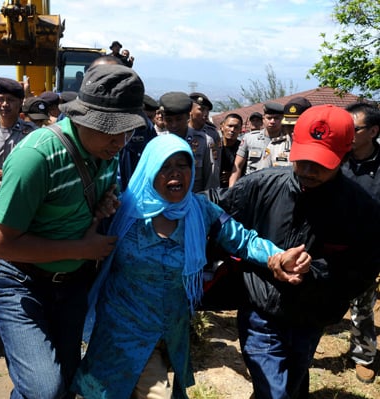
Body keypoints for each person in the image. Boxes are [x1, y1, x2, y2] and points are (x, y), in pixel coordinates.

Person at [72, 134, 310, 399]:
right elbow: (84, 247)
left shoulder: (200, 210)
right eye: (165, 166)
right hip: (123, 329)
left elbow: (242, 239)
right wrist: (97, 218)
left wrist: (276, 257)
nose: (175, 174)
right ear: (150, 168)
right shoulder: (123, 209)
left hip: (171, 329)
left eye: (182, 165)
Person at [0, 63, 146, 398]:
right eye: (110, 130)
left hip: (69, 286)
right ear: (82, 117)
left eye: (126, 131)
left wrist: (104, 205)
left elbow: (97, 197)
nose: (119, 141)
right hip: (18, 282)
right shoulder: (36, 157)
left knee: (67, 381)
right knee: (45, 389)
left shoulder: (107, 152)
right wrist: (80, 249)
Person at [208, 104, 380, 398]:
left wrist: (312, 271)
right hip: (261, 310)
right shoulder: (262, 185)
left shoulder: (360, 208)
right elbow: (212, 207)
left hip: (313, 317)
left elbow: (362, 270)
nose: (309, 171)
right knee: (275, 391)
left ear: (344, 153)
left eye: (322, 163)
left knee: (293, 378)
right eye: (304, 160)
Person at [342, 102, 380, 384]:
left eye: (355, 129)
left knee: (363, 306)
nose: (348, 133)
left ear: (373, 131)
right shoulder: (336, 158)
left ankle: (364, 355)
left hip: (368, 249)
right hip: (330, 245)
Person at [159, 91, 216, 192]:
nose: (174, 125)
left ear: (188, 117)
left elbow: (211, 179)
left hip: (196, 201)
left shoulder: (204, 141)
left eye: (179, 119)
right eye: (169, 120)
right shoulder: (159, 142)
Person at [228, 101, 284, 186]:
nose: (272, 121)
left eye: (276, 118)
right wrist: (231, 192)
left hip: (276, 189)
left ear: (282, 119)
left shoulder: (288, 141)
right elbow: (237, 167)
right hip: (251, 187)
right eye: (269, 118)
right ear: (263, 119)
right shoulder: (249, 138)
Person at [258, 97, 312, 169]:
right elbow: (263, 176)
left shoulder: (318, 148)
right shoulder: (274, 147)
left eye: (297, 125)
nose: (293, 130)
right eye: (289, 126)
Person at [218, 113, 243, 188]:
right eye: (230, 126)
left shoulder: (243, 148)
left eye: (236, 127)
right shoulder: (214, 145)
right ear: (222, 127)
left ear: (240, 130)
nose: (232, 130)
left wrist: (233, 175)